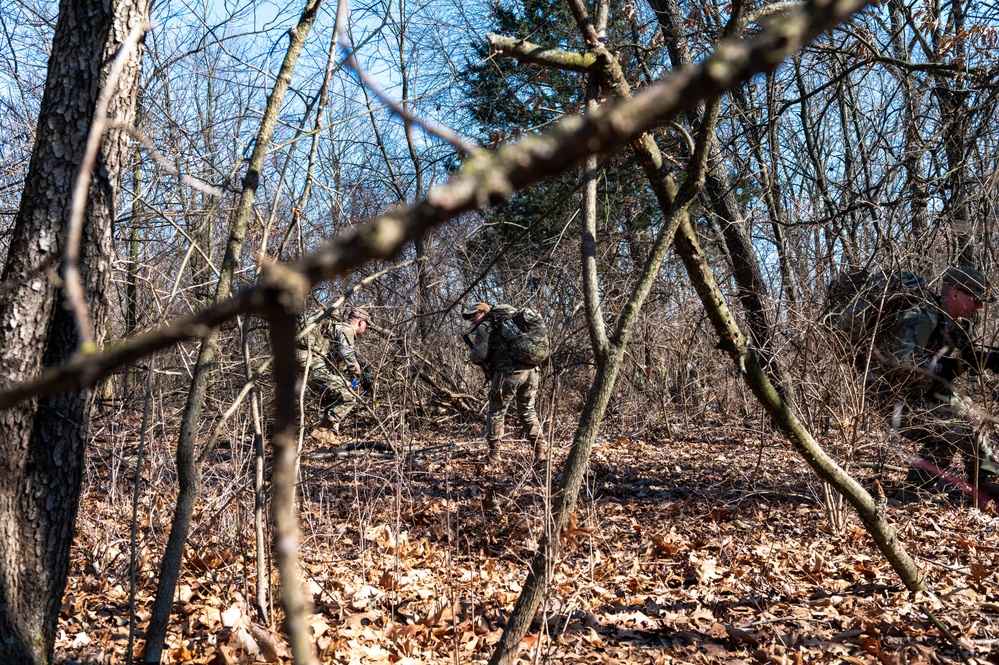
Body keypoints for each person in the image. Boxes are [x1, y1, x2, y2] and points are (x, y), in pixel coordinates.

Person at [870, 266, 999, 504]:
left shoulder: (957, 324)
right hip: (893, 397)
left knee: (972, 415)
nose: (980, 307)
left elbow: (967, 355)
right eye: (977, 300)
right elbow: (901, 368)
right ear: (956, 295)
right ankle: (911, 494)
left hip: (926, 392)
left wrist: (987, 360)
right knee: (951, 431)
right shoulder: (920, 317)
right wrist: (944, 368)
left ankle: (984, 483)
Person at [462, 302, 547, 464]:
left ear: (485, 312)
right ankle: (540, 453)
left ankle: (494, 455)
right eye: (469, 316)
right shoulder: (510, 323)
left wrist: (473, 356)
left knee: (496, 411)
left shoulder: (485, 326)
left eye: (474, 314)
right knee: (528, 410)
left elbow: (479, 354)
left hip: (509, 373)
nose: (471, 319)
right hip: (532, 371)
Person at [305, 307, 369, 444]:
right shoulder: (346, 330)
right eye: (366, 325)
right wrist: (359, 372)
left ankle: (330, 434)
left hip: (310, 369)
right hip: (316, 370)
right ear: (361, 322)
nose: (365, 328)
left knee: (334, 398)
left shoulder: (335, 328)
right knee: (350, 397)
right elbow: (347, 354)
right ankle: (322, 431)